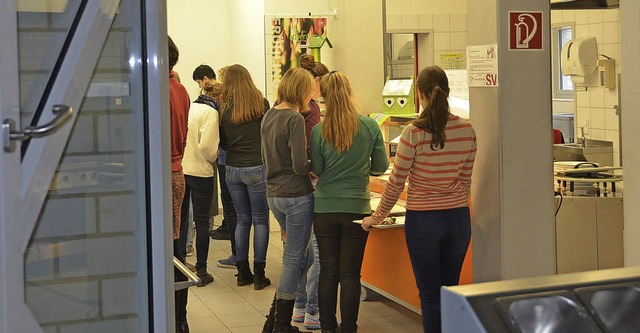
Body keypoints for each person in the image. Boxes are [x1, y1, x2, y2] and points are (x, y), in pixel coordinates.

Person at [362, 66, 477, 333]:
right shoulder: (467, 130)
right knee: (451, 290)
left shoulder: (413, 133)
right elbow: (465, 180)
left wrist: (375, 218)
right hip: (458, 219)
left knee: (429, 294)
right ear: (447, 92)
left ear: (420, 94)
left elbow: (396, 183)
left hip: (423, 221)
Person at [310, 71, 389, 333]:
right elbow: (381, 166)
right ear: (350, 91)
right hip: (357, 207)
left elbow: (318, 169)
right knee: (351, 274)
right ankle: (349, 328)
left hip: (325, 208)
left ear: (325, 97)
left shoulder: (319, 130)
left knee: (328, 272)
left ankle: (327, 327)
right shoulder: (369, 126)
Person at [261, 68, 315, 333]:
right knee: (296, 258)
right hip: (296, 195)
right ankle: (280, 325)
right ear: (300, 90)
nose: (311, 94)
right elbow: (298, 163)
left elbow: (266, 157)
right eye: (309, 89)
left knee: (302, 257)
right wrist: (314, 166)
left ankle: (272, 319)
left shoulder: (269, 115)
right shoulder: (294, 119)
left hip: (274, 194)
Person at [219, 64, 271, 289]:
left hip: (232, 169)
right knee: (260, 220)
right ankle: (259, 274)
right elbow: (268, 134)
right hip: (257, 167)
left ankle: (242, 272)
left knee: (242, 219)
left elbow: (222, 143)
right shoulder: (261, 104)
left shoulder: (224, 109)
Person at [292, 54, 329, 330]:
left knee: (298, 249)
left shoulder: (284, 110)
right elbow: (310, 153)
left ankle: (299, 305)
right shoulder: (312, 110)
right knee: (316, 251)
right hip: (311, 183)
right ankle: (313, 311)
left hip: (287, 188)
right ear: (314, 81)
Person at [178, 80, 220, 287]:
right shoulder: (211, 113)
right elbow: (208, 148)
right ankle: (202, 270)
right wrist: (216, 154)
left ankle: (181, 265)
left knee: (182, 219)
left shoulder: (191, 106)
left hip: (183, 169)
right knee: (202, 223)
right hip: (202, 172)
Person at [168, 36, 191, 333]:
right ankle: (180, 318)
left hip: (164, 174)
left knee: (169, 251)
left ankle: (174, 319)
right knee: (176, 247)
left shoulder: (159, 91)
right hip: (177, 172)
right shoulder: (181, 89)